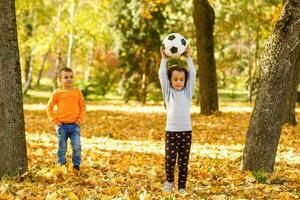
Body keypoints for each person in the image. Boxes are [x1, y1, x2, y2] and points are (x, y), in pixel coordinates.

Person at [158, 46, 196, 195]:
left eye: (181, 79)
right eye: (175, 79)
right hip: (171, 133)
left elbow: (192, 74)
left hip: (186, 133)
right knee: (170, 160)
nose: (179, 82)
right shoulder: (168, 93)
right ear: (171, 80)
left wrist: (189, 58)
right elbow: (162, 75)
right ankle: (169, 181)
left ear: (185, 81)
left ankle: (181, 187)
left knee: (183, 162)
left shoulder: (188, 93)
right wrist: (164, 59)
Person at [47, 67, 85, 171]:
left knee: (77, 147)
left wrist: (79, 120)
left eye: (71, 77)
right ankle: (61, 166)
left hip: (74, 126)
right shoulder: (57, 93)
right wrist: (55, 121)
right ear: (60, 80)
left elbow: (82, 107)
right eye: (66, 77)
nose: (69, 79)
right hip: (62, 126)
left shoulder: (77, 92)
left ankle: (76, 166)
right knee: (62, 148)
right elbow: (49, 108)